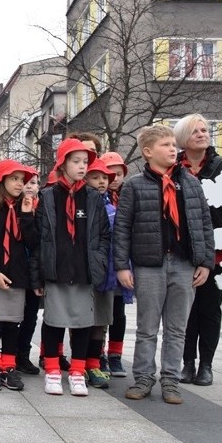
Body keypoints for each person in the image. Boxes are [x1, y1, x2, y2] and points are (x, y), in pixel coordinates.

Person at [115, 125, 214, 405]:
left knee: (177, 327)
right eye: (166, 145)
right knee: (147, 326)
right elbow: (122, 227)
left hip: (184, 264)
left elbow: (204, 224)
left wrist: (205, 262)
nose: (173, 149)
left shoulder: (191, 183)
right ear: (148, 152)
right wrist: (122, 265)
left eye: (174, 144)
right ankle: (144, 377)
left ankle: (171, 380)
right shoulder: (134, 185)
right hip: (150, 264)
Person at [31, 138, 109, 397]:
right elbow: (39, 239)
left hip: (84, 271)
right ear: (63, 164)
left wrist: (98, 262)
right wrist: (38, 276)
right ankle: (52, 369)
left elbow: (103, 234)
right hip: (57, 270)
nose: (82, 167)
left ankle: (78, 371)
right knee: (53, 321)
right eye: (76, 161)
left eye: (85, 162)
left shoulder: (94, 198)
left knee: (83, 321)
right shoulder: (48, 196)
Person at [174, 114, 222, 387]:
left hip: (217, 251)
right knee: (185, 310)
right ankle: (187, 363)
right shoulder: (174, 168)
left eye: (205, 130)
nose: (203, 134)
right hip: (182, 251)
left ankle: (206, 365)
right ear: (183, 138)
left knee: (209, 308)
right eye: (196, 131)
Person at [0, 160, 38, 390]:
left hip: (18, 275)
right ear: (2, 181)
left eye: (22, 180)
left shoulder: (26, 208)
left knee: (12, 324)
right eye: (14, 179)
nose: (19, 184)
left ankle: (9, 366)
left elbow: (32, 241)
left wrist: (26, 215)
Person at [82, 158, 119, 389]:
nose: (102, 181)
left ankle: (94, 363)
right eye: (96, 177)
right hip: (86, 271)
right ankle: (80, 362)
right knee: (82, 320)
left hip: (107, 273)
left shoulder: (112, 208)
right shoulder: (82, 205)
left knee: (101, 322)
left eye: (105, 177)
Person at [101, 151, 131, 376]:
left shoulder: (129, 195)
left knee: (118, 313)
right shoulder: (97, 197)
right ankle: (99, 354)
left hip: (124, 261)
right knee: (102, 313)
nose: (114, 178)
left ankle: (115, 355)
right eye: (110, 173)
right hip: (104, 263)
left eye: (119, 174)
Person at [16, 173, 42, 375]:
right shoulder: (12, 207)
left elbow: (37, 241)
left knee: (30, 315)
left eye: (33, 183)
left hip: (35, 270)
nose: (29, 187)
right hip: (16, 268)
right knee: (10, 314)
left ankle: (23, 354)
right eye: (25, 183)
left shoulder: (42, 208)